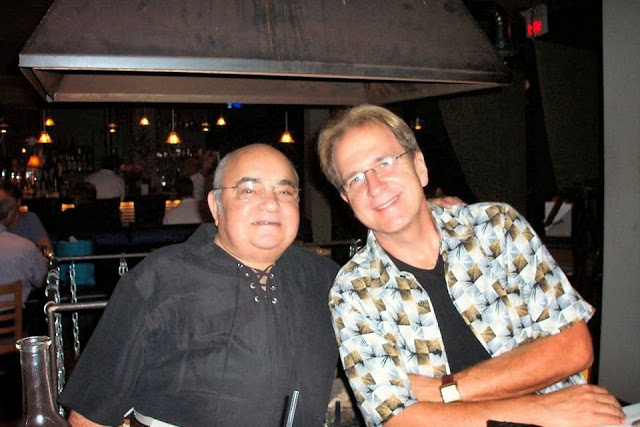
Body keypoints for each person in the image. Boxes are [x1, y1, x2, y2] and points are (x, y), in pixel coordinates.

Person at [317, 105, 625, 426]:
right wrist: (539, 409)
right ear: (346, 199)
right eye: (355, 178)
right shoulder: (353, 292)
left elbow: (574, 348)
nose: (375, 186)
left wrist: (445, 390)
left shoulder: (496, 228)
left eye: (384, 163)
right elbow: (397, 420)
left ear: (420, 166)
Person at [59, 144, 340, 426]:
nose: (271, 203)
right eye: (249, 190)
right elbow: (88, 416)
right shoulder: (159, 279)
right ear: (216, 206)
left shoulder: (325, 279)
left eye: (285, 191)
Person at [0, 188, 48, 305]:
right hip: (13, 314)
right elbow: (41, 279)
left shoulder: (29, 222)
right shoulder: (25, 247)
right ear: (9, 214)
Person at [54, 182, 122, 240]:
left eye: (74, 196)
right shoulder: (108, 214)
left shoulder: (67, 215)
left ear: (77, 198)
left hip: (76, 249)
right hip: (103, 250)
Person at [0, 181, 53, 255]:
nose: (5, 205)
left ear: (18, 201)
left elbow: (47, 249)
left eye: (8, 202)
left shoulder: (29, 220)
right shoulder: (2, 223)